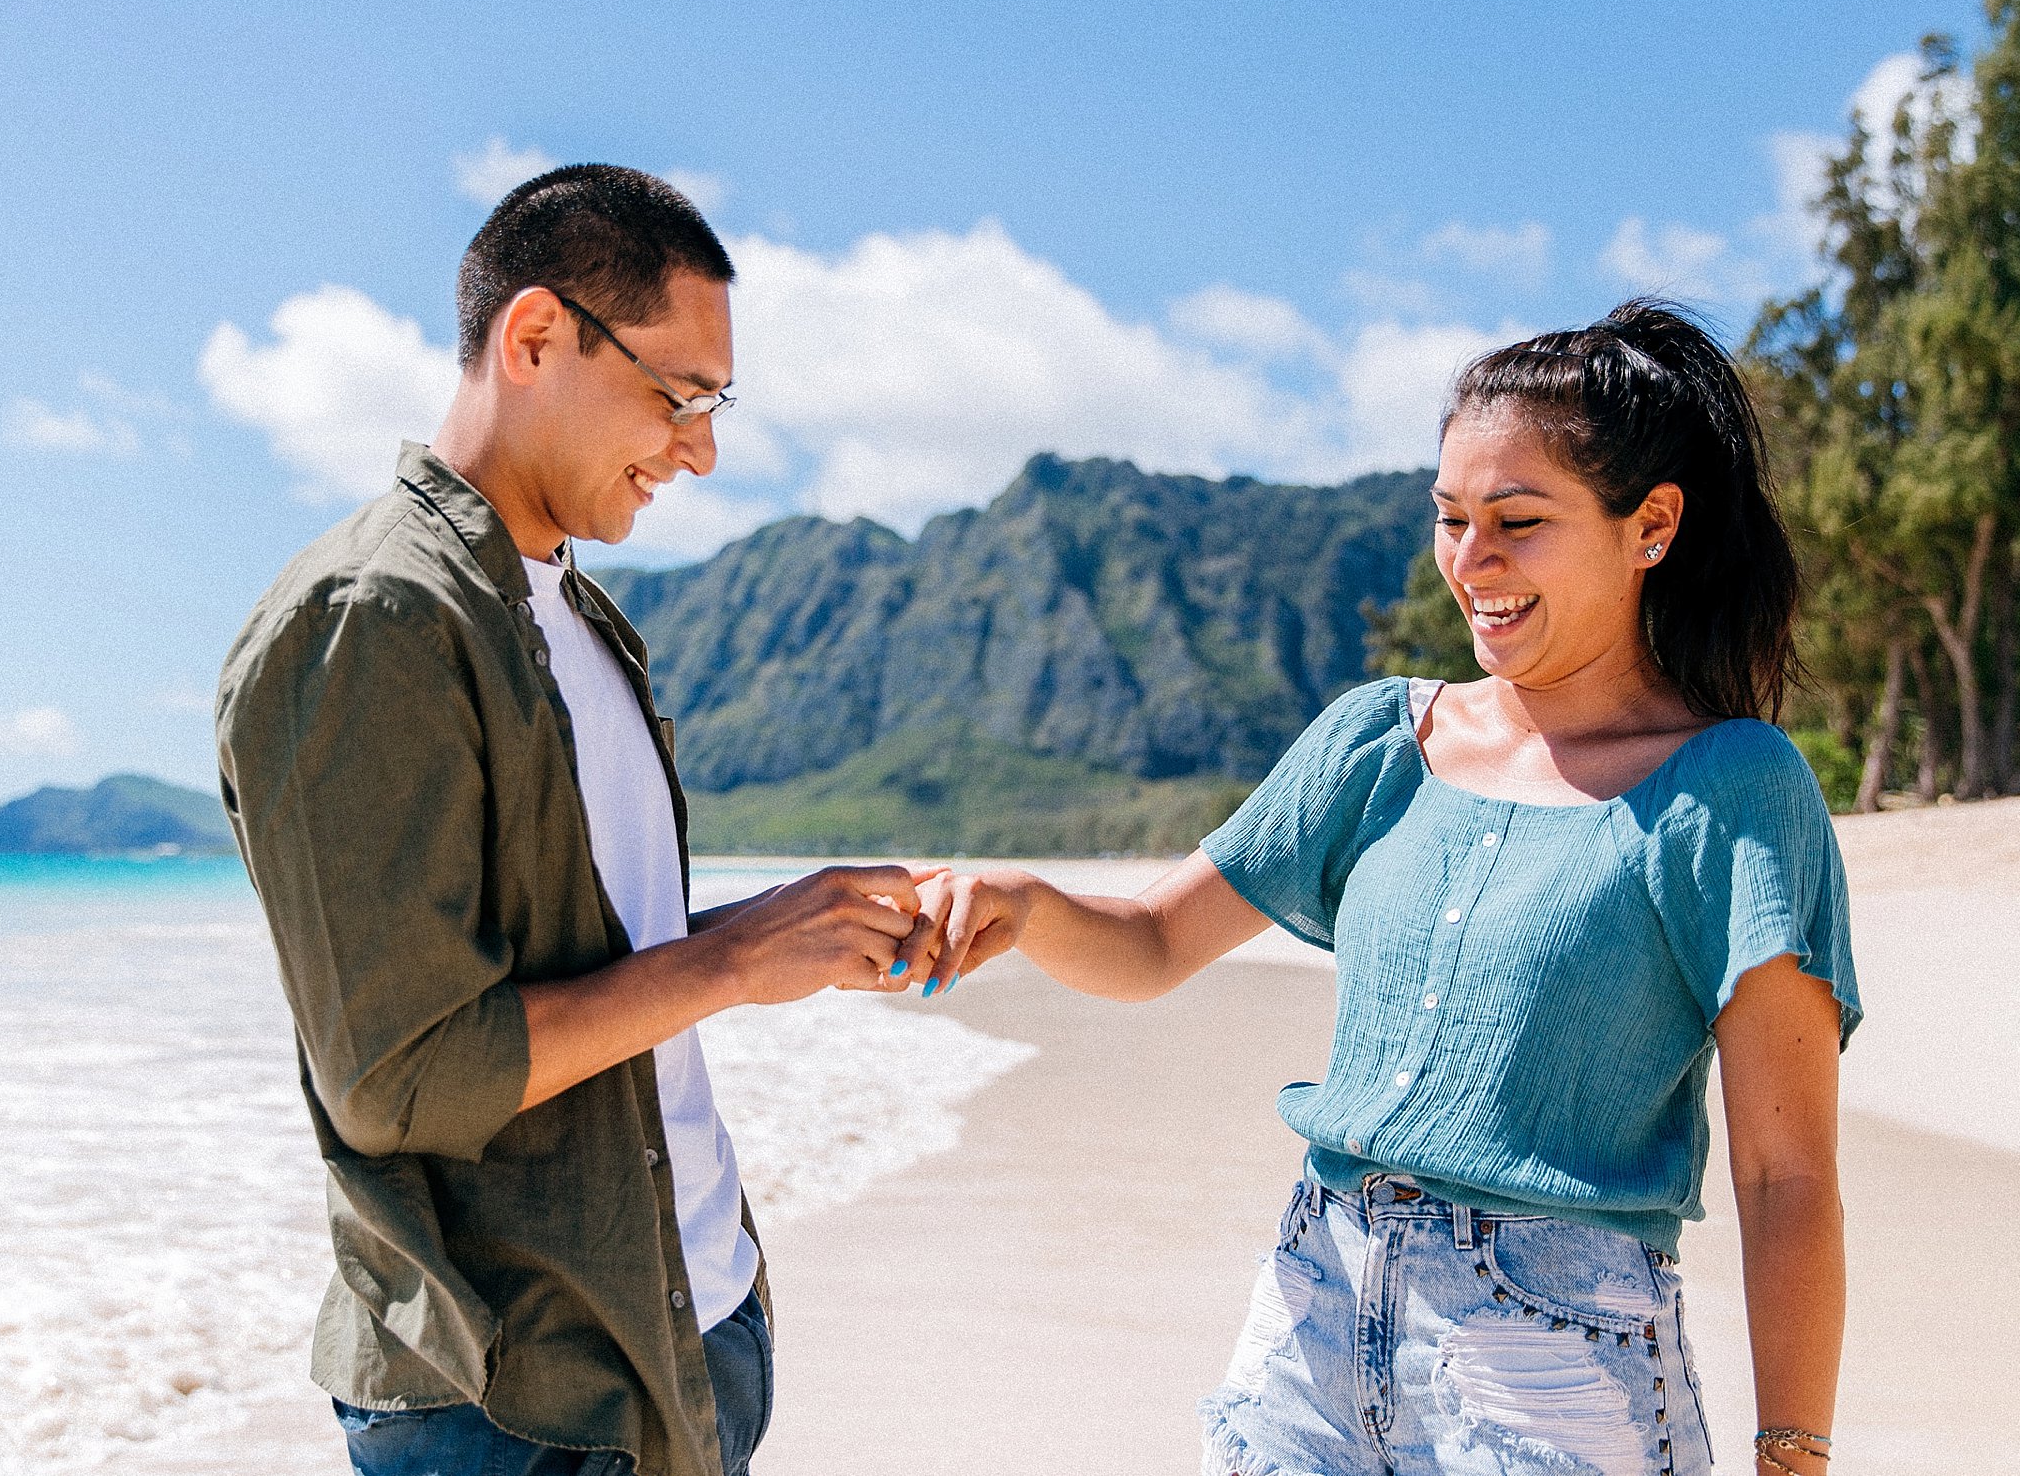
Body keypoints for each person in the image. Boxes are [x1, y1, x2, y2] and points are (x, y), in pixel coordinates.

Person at [912, 300, 1860, 1476]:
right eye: (1451, 519)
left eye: (1517, 520)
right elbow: (1154, 940)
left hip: (1552, 1363)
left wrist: (1794, 1452)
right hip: (1311, 1311)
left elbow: (1789, 1172)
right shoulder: (1374, 742)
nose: (1472, 561)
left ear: (1649, 525)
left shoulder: (1731, 786)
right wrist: (1026, 903)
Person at [216, 165, 931, 1476]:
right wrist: (725, 959)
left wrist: (791, 933)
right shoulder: (372, 621)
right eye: (680, 395)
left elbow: (586, 965)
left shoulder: (585, 620)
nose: (701, 447)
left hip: (679, 1332)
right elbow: (400, 1075)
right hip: (514, 1399)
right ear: (534, 336)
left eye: (716, 404)